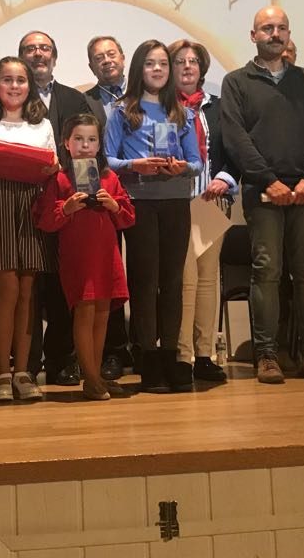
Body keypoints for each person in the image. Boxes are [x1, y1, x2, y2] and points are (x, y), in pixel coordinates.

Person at [221, 7, 304, 384]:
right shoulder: (236, 82)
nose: (275, 34)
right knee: (266, 272)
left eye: (281, 28)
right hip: (263, 193)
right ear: (253, 35)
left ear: (289, 34)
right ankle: (267, 356)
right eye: (267, 28)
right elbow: (236, 138)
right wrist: (268, 180)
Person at [105, 39, 203, 393]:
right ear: (138, 69)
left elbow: (197, 163)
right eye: (150, 63)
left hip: (176, 201)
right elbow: (107, 159)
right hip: (140, 203)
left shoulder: (183, 113)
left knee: (173, 282)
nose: (158, 69)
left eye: (163, 63)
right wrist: (136, 165)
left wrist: (181, 168)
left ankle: (171, 355)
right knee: (144, 282)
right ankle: (148, 357)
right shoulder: (121, 111)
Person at [0, 56, 58, 401]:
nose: (15, 86)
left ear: (30, 86)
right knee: (6, 290)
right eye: (7, 80)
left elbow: (51, 172)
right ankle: (1, 374)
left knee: (28, 293)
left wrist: (52, 171)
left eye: (21, 80)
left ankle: (23, 371)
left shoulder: (42, 126)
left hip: (31, 205)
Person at [33, 113, 135, 400]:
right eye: (78, 139)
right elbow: (45, 220)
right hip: (78, 256)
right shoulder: (59, 178)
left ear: (99, 144)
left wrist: (113, 205)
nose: (85, 145)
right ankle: (89, 378)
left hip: (106, 256)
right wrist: (66, 209)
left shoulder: (109, 177)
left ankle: (95, 374)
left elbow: (128, 217)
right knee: (84, 312)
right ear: (66, 143)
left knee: (102, 314)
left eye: (91, 139)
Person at [19, 30, 92, 385]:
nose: (38, 54)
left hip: (67, 203)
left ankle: (62, 360)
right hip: (19, 205)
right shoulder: (11, 97)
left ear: (54, 56)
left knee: (64, 288)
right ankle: (27, 365)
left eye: (44, 48)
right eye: (30, 49)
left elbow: (88, 149)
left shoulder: (75, 99)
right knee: (28, 289)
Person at [168, 39, 237, 383]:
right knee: (186, 282)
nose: (187, 66)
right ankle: (183, 356)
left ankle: (205, 355)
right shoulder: (161, 107)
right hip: (176, 204)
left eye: (193, 61)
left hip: (211, 202)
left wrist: (226, 178)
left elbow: (235, 150)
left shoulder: (219, 107)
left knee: (209, 281)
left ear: (202, 68)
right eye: (179, 61)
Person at [81, 35, 132, 380]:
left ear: (123, 57)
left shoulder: (145, 95)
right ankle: (111, 352)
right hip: (101, 197)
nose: (106, 60)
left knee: (140, 278)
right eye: (98, 57)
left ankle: (143, 347)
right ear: (91, 66)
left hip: (145, 194)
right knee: (105, 278)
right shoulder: (84, 101)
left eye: (111, 54)